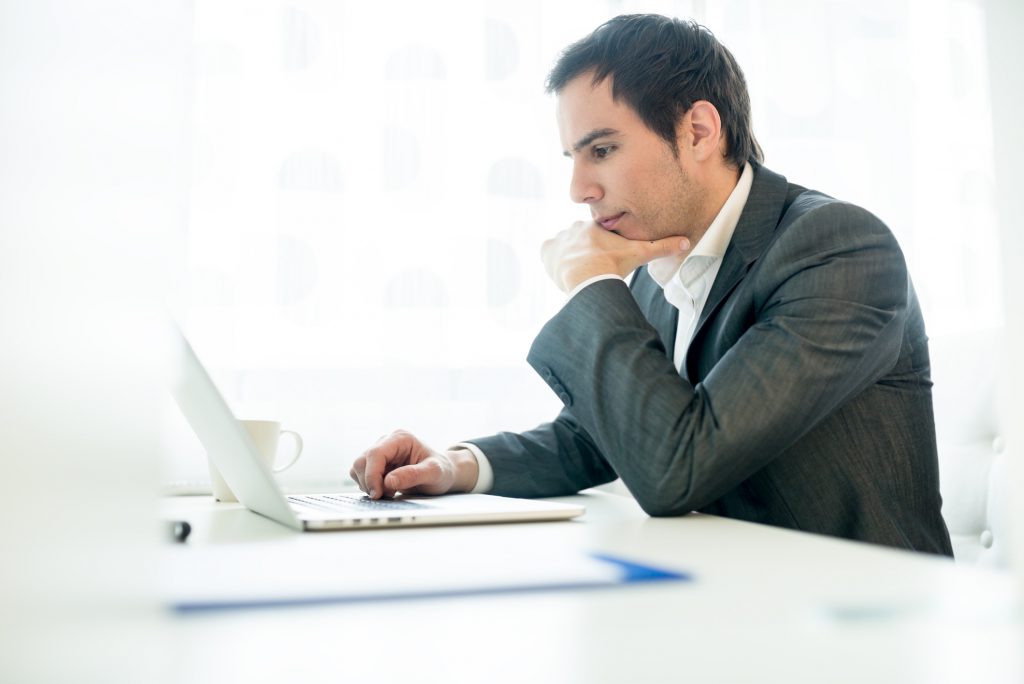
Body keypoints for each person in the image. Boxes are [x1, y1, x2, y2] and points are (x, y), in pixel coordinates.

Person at [349, 14, 953, 556]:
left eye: (602, 150)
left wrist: (590, 284)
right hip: (728, 595)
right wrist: (454, 466)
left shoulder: (838, 247)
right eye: (573, 159)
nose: (578, 189)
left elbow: (678, 467)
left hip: (862, 623)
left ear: (697, 131)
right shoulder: (656, 261)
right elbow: (597, 436)